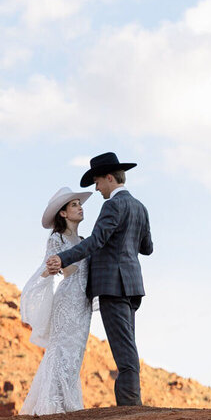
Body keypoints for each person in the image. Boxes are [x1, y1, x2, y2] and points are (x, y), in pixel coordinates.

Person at [46, 152, 153, 406]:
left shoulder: (113, 205)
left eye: (97, 182)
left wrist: (64, 258)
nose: (96, 188)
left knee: (123, 350)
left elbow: (96, 241)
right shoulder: (140, 207)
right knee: (128, 343)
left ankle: (129, 407)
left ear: (109, 178)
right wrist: (127, 239)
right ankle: (132, 405)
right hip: (133, 286)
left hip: (112, 286)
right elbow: (147, 248)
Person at [19, 186, 94, 415]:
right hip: (67, 299)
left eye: (80, 204)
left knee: (76, 352)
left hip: (84, 303)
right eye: (74, 205)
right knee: (61, 350)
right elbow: (54, 267)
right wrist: (53, 267)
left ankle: (67, 401)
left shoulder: (84, 240)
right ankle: (52, 405)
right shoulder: (57, 239)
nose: (80, 207)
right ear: (63, 213)